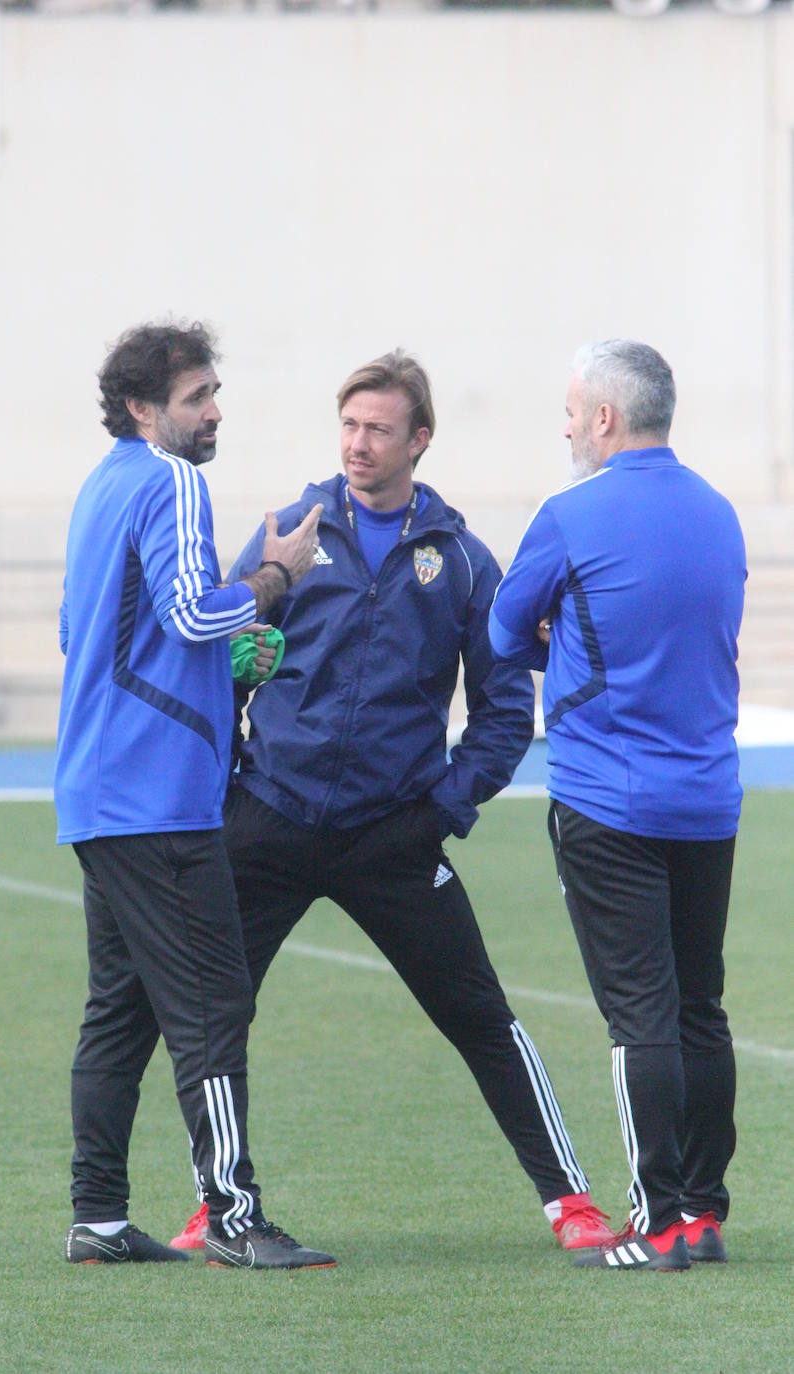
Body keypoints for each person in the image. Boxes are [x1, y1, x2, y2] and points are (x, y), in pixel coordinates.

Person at [171, 349, 614, 1256]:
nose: (357, 444)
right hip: (270, 820)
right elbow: (215, 661)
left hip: (394, 836)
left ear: (419, 439)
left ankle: (570, 1200)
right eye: (348, 426)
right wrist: (226, 787)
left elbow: (501, 710)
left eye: (377, 429)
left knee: (483, 1018)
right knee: (216, 1017)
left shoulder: (457, 560)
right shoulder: (289, 531)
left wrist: (445, 807)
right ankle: (220, 1209)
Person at [55, 319, 336, 1271]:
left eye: (215, 394)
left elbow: (88, 632)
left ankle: (96, 1218)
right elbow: (187, 610)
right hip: (158, 797)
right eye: (195, 397)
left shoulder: (99, 490)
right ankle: (234, 1216)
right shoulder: (171, 480)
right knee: (214, 1006)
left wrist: (225, 660)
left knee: (121, 1010)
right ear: (143, 409)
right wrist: (270, 579)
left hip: (100, 792)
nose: (213, 413)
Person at [489, 339, 745, 1272]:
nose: (564, 424)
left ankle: (659, 1219)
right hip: (709, 799)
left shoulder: (572, 514)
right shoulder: (720, 513)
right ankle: (704, 1214)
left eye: (570, 409)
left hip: (610, 802)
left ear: (605, 418)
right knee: (699, 1008)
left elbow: (503, 629)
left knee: (641, 1015)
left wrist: (558, 631)